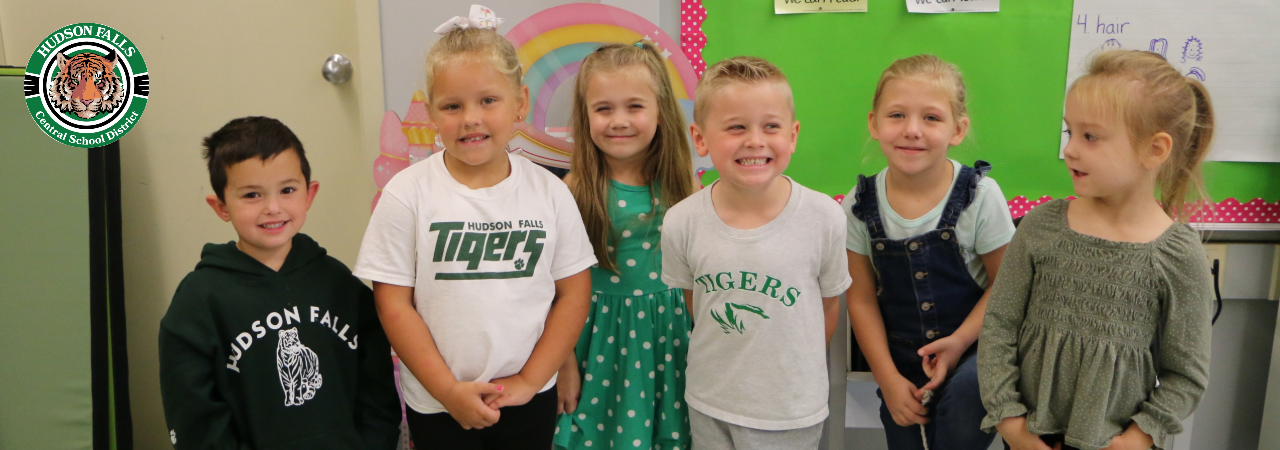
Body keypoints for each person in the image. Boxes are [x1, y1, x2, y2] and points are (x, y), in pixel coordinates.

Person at [352, 6, 597, 449]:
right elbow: (393, 305)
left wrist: (530, 379)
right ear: (431, 112)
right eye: (452, 105)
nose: (471, 118)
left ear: (519, 101)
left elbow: (574, 293)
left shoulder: (550, 192)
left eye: (488, 100)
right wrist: (447, 391)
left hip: (528, 398)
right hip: (439, 403)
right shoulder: (407, 195)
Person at [979, 49, 1216, 450]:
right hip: (1028, 436)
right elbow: (999, 325)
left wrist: (1137, 439)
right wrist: (1011, 423)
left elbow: (1186, 374)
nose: (1071, 150)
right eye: (1070, 132)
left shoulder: (1178, 254)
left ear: (1155, 150)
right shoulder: (1041, 226)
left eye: (1090, 137)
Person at [159, 116, 401, 449]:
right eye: (252, 195)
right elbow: (193, 413)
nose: (273, 208)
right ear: (221, 206)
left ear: (309, 194)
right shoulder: (200, 299)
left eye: (287, 190)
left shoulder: (340, 285)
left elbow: (378, 392)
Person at [661, 56, 852, 450]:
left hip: (790, 411)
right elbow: (697, 303)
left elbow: (828, 308)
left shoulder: (824, 218)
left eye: (771, 126)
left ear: (793, 134)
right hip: (710, 402)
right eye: (736, 127)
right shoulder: (681, 221)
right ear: (700, 138)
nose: (755, 140)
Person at [844, 55, 1011, 450]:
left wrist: (957, 344)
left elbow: (1006, 287)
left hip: (975, 351)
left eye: (932, 118)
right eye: (897, 115)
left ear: (958, 129)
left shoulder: (980, 197)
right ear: (874, 123)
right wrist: (887, 378)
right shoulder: (858, 204)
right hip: (901, 363)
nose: (912, 130)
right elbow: (861, 298)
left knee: (965, 401)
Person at [552, 41, 698, 450]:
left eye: (634, 106)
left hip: (671, 336)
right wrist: (563, 365)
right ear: (586, 116)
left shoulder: (685, 185)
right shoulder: (573, 191)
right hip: (599, 340)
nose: (619, 121)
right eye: (603, 109)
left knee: (668, 434)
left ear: (660, 111)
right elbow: (554, 289)